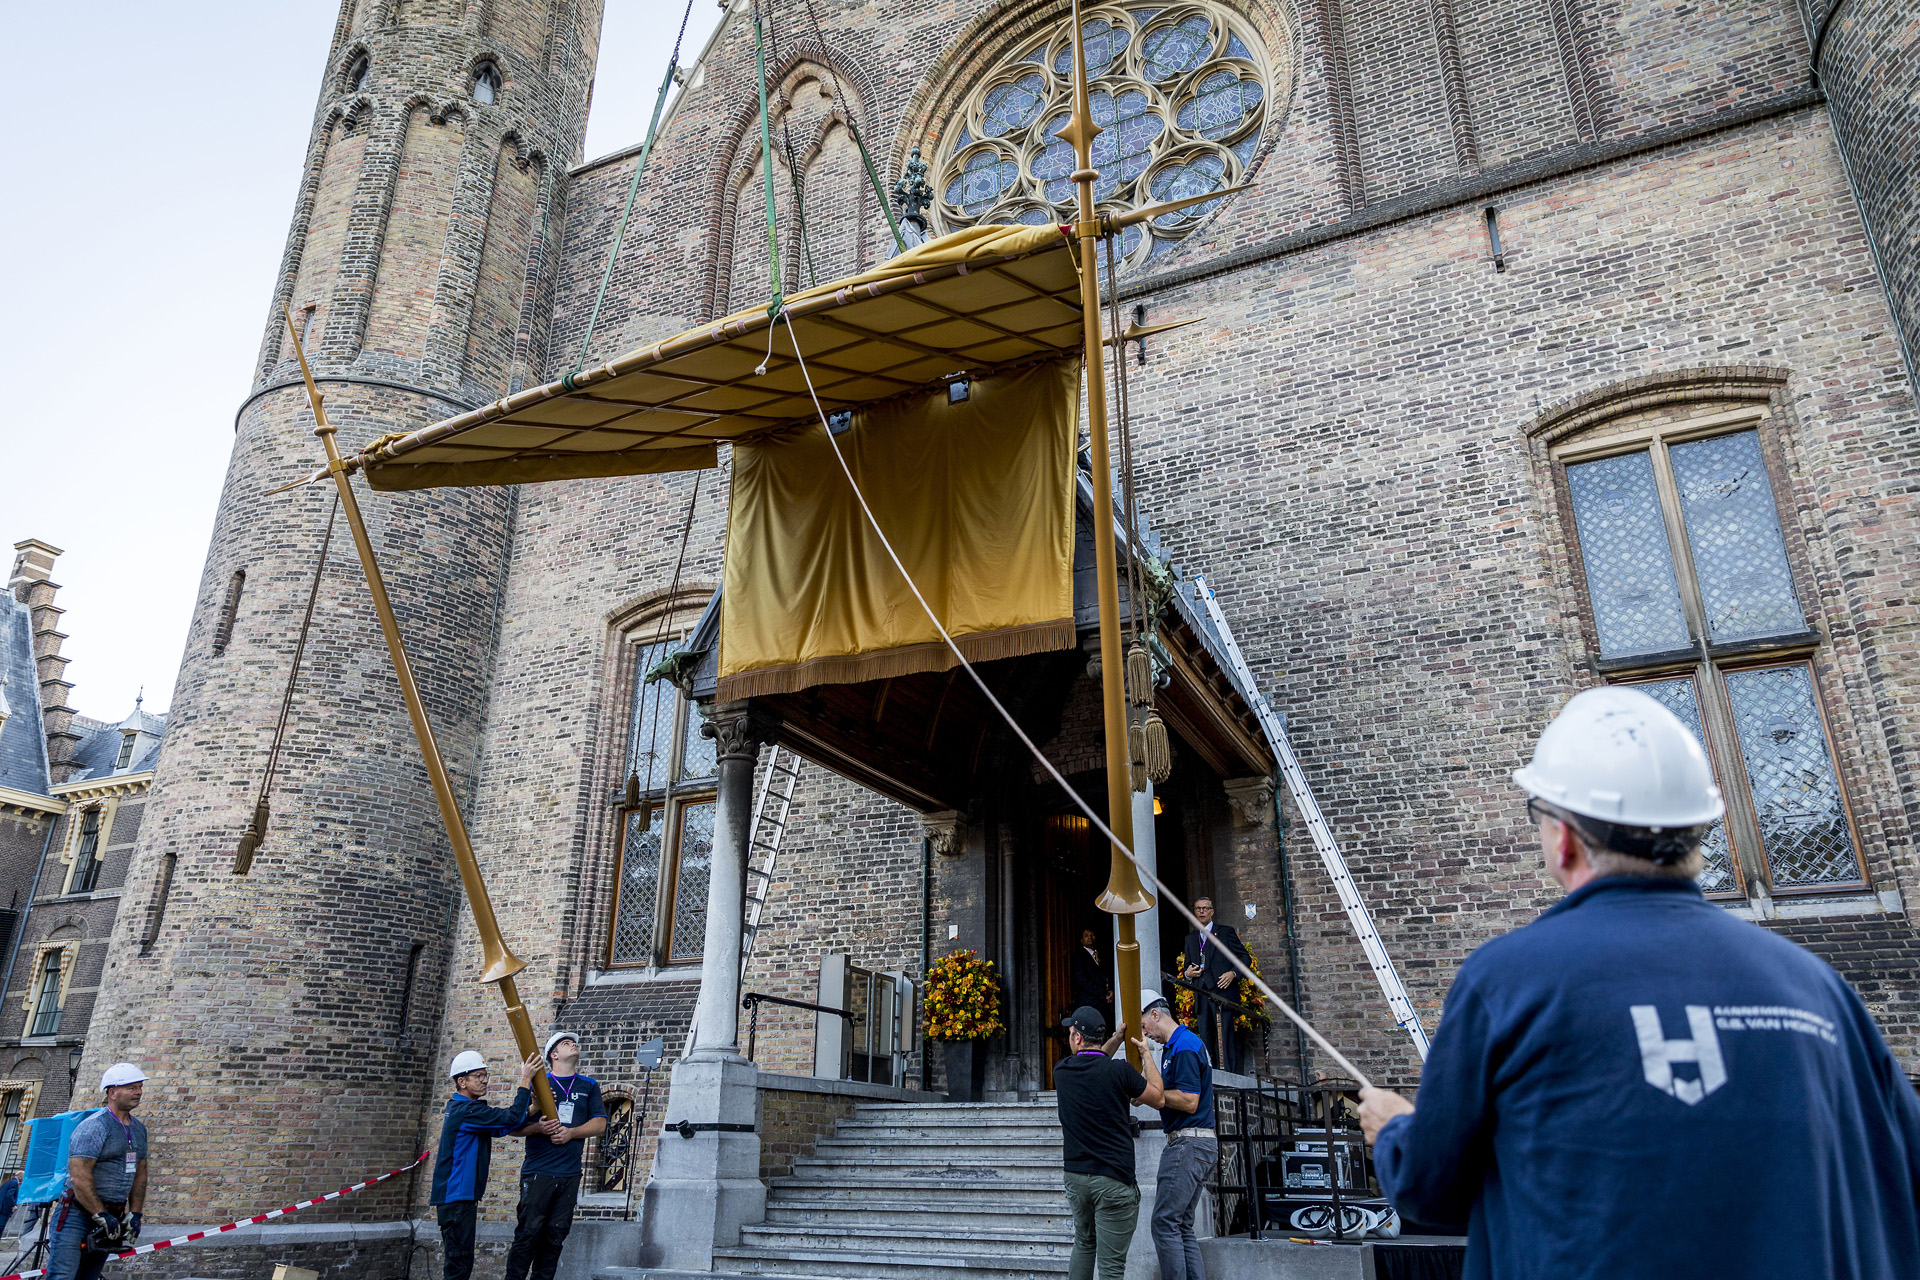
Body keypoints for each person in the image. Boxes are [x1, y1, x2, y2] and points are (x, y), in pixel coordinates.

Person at [1358, 686, 1920, 1278]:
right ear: (1696, 831)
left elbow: (1434, 1190)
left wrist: (1396, 1130)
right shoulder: (1816, 987)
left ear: (1565, 837)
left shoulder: (1509, 980)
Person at [1054, 1006, 1163, 1280]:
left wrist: (1114, 1039)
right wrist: (1146, 1054)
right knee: (1111, 1269)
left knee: (1083, 1243)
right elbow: (1159, 1098)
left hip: (1077, 1178)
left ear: (1078, 1038)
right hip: (1113, 1180)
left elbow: (1094, 1062)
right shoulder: (1120, 1072)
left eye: (1071, 1032)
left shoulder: (1062, 1071)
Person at [503, 1031, 607, 1280]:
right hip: (539, 1172)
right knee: (528, 1233)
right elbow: (513, 1127)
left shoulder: (589, 1085)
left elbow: (600, 1124)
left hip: (569, 1173)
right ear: (554, 1054)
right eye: (564, 1043)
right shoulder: (541, 1084)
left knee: (555, 1236)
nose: (573, 1044)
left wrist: (572, 1133)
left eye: (573, 1042)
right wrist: (538, 1127)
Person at [431, 1049, 541, 1280]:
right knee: (458, 1267)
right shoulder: (467, 1111)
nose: (484, 1081)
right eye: (478, 1076)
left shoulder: (466, 1111)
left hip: (459, 1199)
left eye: (485, 1075)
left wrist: (532, 1109)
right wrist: (524, 1081)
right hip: (456, 1198)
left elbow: (502, 1127)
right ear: (461, 1081)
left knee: (460, 1263)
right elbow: (510, 1118)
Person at [48, 1062, 149, 1280]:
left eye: (139, 1087)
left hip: (112, 1213)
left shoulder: (139, 1129)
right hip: (78, 1213)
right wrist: (100, 1213)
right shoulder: (94, 1126)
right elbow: (79, 1177)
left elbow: (140, 1172)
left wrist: (136, 1213)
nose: (138, 1092)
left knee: (89, 1277)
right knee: (63, 1275)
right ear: (112, 1092)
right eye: (132, 1088)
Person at [1139, 991, 1215, 1280]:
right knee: (1181, 1224)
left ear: (1155, 1014)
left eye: (1145, 1027)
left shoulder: (1182, 1046)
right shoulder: (1180, 1044)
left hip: (1187, 1142)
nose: (1147, 1034)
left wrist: (1152, 1095)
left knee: (1164, 1223)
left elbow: (1188, 1100)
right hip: (1197, 1142)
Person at [1180, 898, 1249, 1071]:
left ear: (1212, 911)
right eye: (1198, 909)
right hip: (1201, 995)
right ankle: (1209, 1074)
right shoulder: (1190, 939)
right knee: (1206, 1037)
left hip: (1222, 994)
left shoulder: (1225, 933)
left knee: (1225, 1038)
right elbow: (1187, 967)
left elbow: (1244, 957)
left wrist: (1233, 973)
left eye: (1205, 908)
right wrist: (1187, 975)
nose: (1202, 911)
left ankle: (1229, 1075)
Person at [1070, 928, 1114, 1028]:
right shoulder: (1079, 957)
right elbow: (1083, 980)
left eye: (1092, 934)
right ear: (1082, 940)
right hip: (1089, 1002)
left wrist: (1110, 991)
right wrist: (1103, 992)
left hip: (1104, 1003)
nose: (1090, 937)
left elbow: (1108, 974)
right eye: (1086, 935)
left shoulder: (1101, 954)